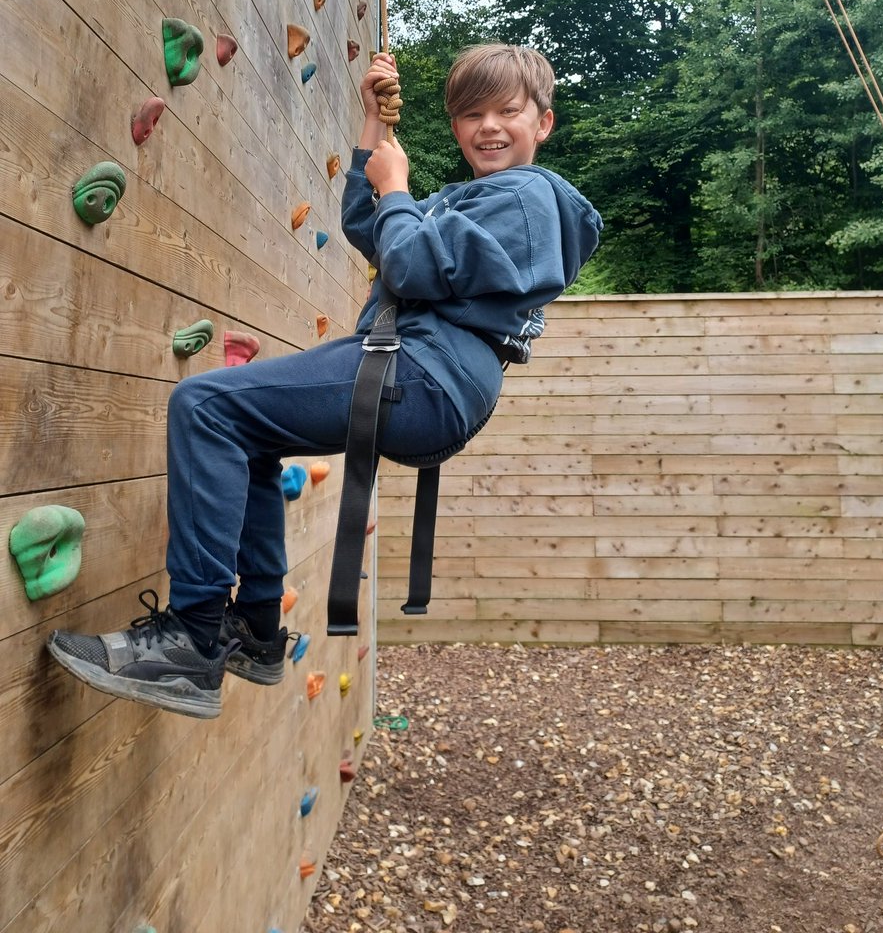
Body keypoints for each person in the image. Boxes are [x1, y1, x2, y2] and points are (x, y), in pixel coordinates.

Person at [47, 43, 603, 719]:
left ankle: (191, 642)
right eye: (470, 114)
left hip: (424, 373)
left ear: (542, 122)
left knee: (205, 405)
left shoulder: (530, 198)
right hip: (419, 370)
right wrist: (374, 128)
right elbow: (370, 226)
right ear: (455, 126)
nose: (487, 126)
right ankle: (253, 629)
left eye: (507, 112)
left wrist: (397, 186)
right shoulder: (475, 199)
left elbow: (412, 270)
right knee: (242, 434)